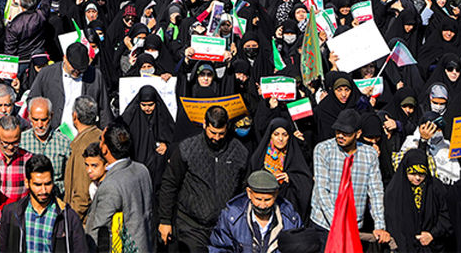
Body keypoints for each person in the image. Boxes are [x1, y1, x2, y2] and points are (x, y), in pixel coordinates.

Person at [158, 105, 249, 253]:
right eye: (213, 133)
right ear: (205, 124)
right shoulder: (187, 149)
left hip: (225, 227)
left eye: (221, 133)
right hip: (191, 226)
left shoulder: (239, 152)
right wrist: (165, 220)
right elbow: (170, 183)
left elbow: (244, 189)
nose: (216, 138)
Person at [309, 108, 390, 246]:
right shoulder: (323, 150)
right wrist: (338, 222)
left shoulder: (369, 155)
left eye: (346, 133)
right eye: (338, 131)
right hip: (325, 225)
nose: (340, 136)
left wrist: (379, 225)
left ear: (358, 133)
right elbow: (322, 191)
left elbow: (376, 192)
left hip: (354, 226)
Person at [0, 154, 88, 253]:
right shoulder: (11, 213)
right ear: (27, 183)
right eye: (37, 185)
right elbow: (1, 250)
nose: (43, 190)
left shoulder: (68, 216)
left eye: (48, 184)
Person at [85, 121, 155, 253]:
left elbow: (98, 230)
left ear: (105, 149)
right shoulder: (142, 170)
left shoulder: (112, 185)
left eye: (102, 140)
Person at [208, 170, 303, 253]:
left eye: (267, 200)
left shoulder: (290, 219)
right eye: (258, 199)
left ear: (276, 194)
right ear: (249, 193)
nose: (262, 205)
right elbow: (219, 247)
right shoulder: (231, 217)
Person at [384, 148, 451, 253]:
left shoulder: (435, 188)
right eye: (412, 174)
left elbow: (446, 215)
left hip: (433, 246)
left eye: (421, 174)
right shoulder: (394, 191)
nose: (417, 178)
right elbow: (392, 224)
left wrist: (432, 234)